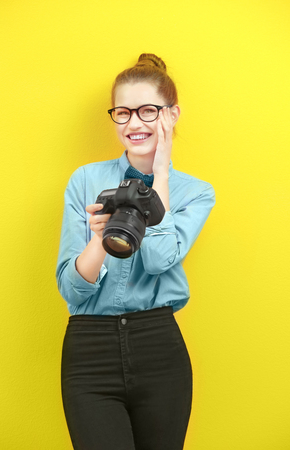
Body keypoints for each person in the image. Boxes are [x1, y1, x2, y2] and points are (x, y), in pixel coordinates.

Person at [56, 53, 215, 450]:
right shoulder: (86, 180)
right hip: (89, 349)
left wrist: (159, 174)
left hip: (158, 346)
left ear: (171, 114)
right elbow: (73, 291)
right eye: (123, 113)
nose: (134, 123)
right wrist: (98, 239)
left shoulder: (195, 192)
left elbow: (160, 260)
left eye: (148, 111)